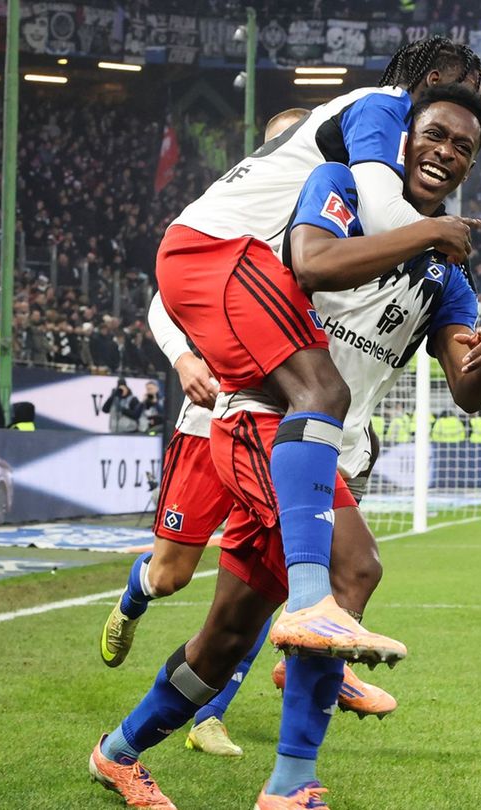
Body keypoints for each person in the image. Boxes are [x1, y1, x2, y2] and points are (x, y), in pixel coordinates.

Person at [90, 86, 481, 810]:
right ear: (403, 139)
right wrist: (427, 234)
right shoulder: (338, 185)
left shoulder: (448, 276)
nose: (446, 152)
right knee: (355, 570)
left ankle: (117, 753)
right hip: (261, 419)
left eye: (463, 147)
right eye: (435, 134)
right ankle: (291, 782)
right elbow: (311, 263)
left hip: (324, 454)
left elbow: (467, 388)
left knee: (224, 642)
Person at [151, 36, 481, 663]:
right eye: (467, 88)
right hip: (217, 258)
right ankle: (309, 610)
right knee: (321, 396)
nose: (472, 107)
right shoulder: (381, 109)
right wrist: (438, 230)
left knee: (248, 612)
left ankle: (294, 658)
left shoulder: (430, 261)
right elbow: (378, 220)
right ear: (431, 80)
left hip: (238, 286)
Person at [98, 108, 394, 762]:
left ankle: (216, 718)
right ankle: (137, 595)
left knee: (282, 571)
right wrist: (184, 359)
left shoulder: (337, 215)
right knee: (173, 575)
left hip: (276, 425)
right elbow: (165, 297)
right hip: (209, 422)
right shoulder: (240, 214)